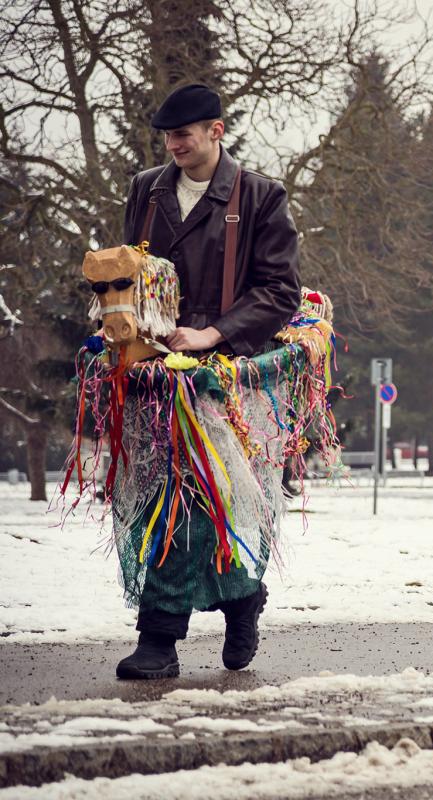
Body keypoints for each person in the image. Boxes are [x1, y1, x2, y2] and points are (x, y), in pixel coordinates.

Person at [114, 84, 301, 679]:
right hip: (153, 376)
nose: (174, 144)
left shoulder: (261, 196)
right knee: (162, 500)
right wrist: (121, 327)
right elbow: (132, 272)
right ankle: (232, 605)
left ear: (216, 131)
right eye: (168, 136)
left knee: (201, 501)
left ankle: (169, 633)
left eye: (184, 134)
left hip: (226, 379)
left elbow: (280, 291)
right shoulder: (146, 190)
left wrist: (212, 334)